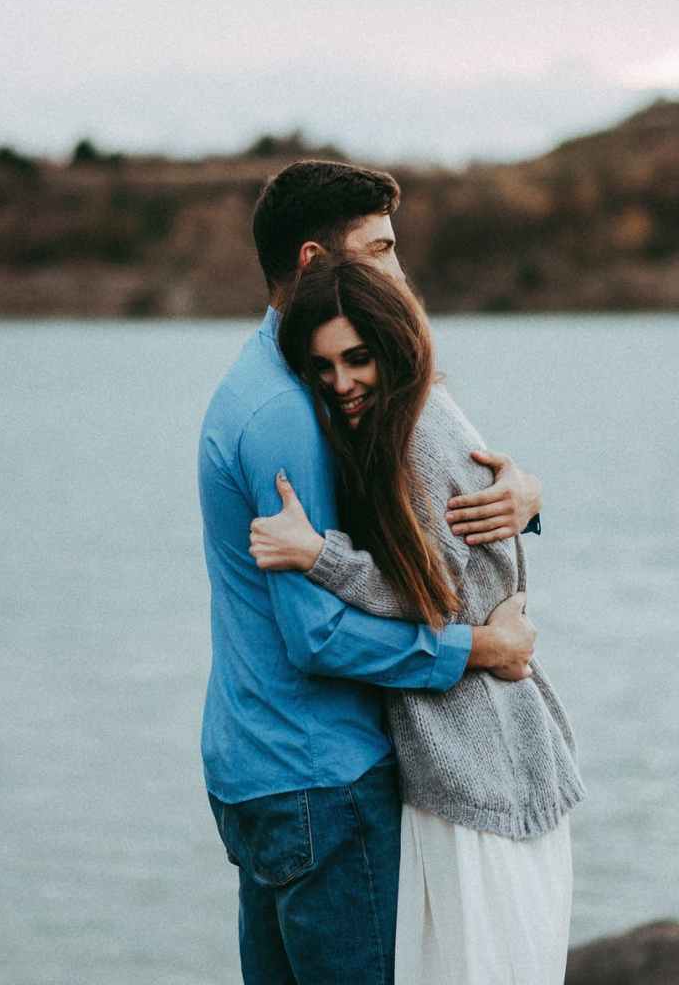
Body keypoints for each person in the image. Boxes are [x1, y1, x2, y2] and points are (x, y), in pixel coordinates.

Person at [198, 160, 542, 984]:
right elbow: (316, 635)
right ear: (317, 263)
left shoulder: (287, 379)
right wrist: (480, 651)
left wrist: (526, 497)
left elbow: (432, 505)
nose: (400, 271)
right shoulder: (292, 413)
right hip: (322, 778)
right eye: (380, 250)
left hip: (259, 765)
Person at [249, 254, 585, 984]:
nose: (341, 383)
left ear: (393, 344)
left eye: (357, 358)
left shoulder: (419, 439)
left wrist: (317, 555)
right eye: (323, 367)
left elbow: (426, 593)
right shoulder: (411, 418)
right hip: (488, 753)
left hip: (479, 765)